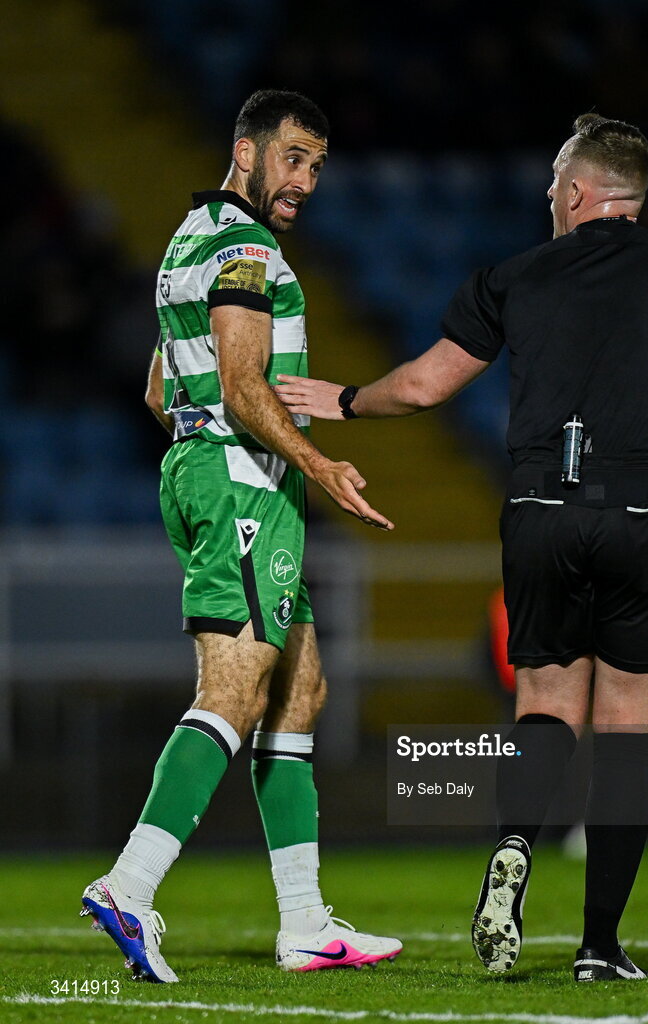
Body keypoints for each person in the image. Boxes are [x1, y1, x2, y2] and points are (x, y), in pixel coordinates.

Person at [273, 113, 648, 982]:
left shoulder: (511, 275)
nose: (544, 193)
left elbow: (425, 386)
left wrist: (345, 400)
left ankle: (510, 846)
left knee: (542, 709)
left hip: (542, 506)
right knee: (623, 728)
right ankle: (598, 946)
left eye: (552, 181)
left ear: (578, 193)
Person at [80, 89, 402, 983]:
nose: (304, 180)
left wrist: (203, 459)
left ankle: (304, 921)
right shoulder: (246, 247)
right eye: (292, 157)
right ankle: (130, 885)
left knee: (300, 686)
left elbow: (162, 389)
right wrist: (318, 464)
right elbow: (240, 381)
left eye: (316, 165)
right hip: (242, 483)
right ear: (246, 151)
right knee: (235, 686)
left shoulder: (187, 241)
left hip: (207, 474)